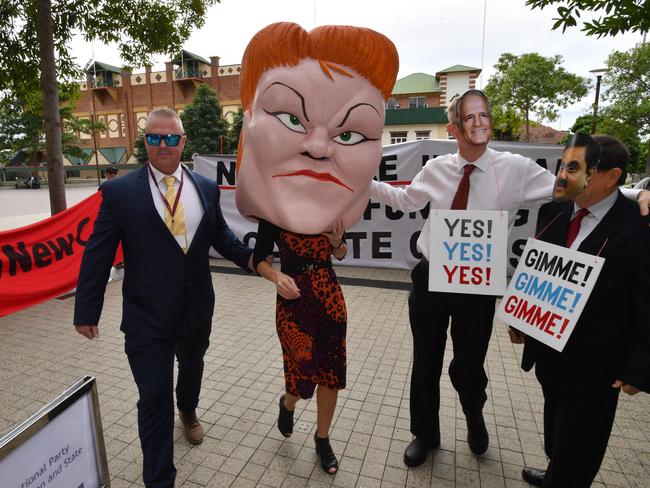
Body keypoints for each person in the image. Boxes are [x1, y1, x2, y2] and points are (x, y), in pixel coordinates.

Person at [369, 89, 650, 467]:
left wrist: (634, 196)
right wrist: (360, 183)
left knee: (468, 368)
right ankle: (425, 434)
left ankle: (473, 414)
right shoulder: (436, 168)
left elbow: (569, 187)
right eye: (469, 117)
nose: (479, 121)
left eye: (484, 114)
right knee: (425, 363)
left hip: (477, 289)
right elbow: (405, 200)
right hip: (430, 280)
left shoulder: (515, 168)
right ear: (453, 128)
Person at [235, 22, 399, 474]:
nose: (319, 148)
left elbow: (341, 254)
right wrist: (275, 277)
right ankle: (288, 404)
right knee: (302, 377)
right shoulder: (275, 211)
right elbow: (257, 258)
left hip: (329, 297)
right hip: (292, 302)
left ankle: (323, 439)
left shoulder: (331, 208)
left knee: (332, 375)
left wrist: (337, 242)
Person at [73, 108, 253, 488]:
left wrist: (255, 260)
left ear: (183, 141)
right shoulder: (119, 192)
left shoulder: (206, 188)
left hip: (195, 310)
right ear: (146, 142)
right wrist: (86, 309)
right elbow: (98, 252)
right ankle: (159, 480)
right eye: (155, 138)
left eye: (171, 137)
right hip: (146, 318)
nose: (163, 145)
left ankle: (188, 410)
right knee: (153, 399)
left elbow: (222, 238)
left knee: (191, 370)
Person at [509, 134, 650, 488]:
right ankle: (555, 471)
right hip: (550, 354)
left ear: (612, 176)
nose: (561, 175)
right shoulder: (552, 210)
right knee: (556, 429)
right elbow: (536, 269)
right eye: (562, 165)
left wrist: (640, 364)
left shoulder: (639, 226)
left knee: (582, 445)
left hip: (598, 364)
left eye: (575, 168)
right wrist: (519, 316)